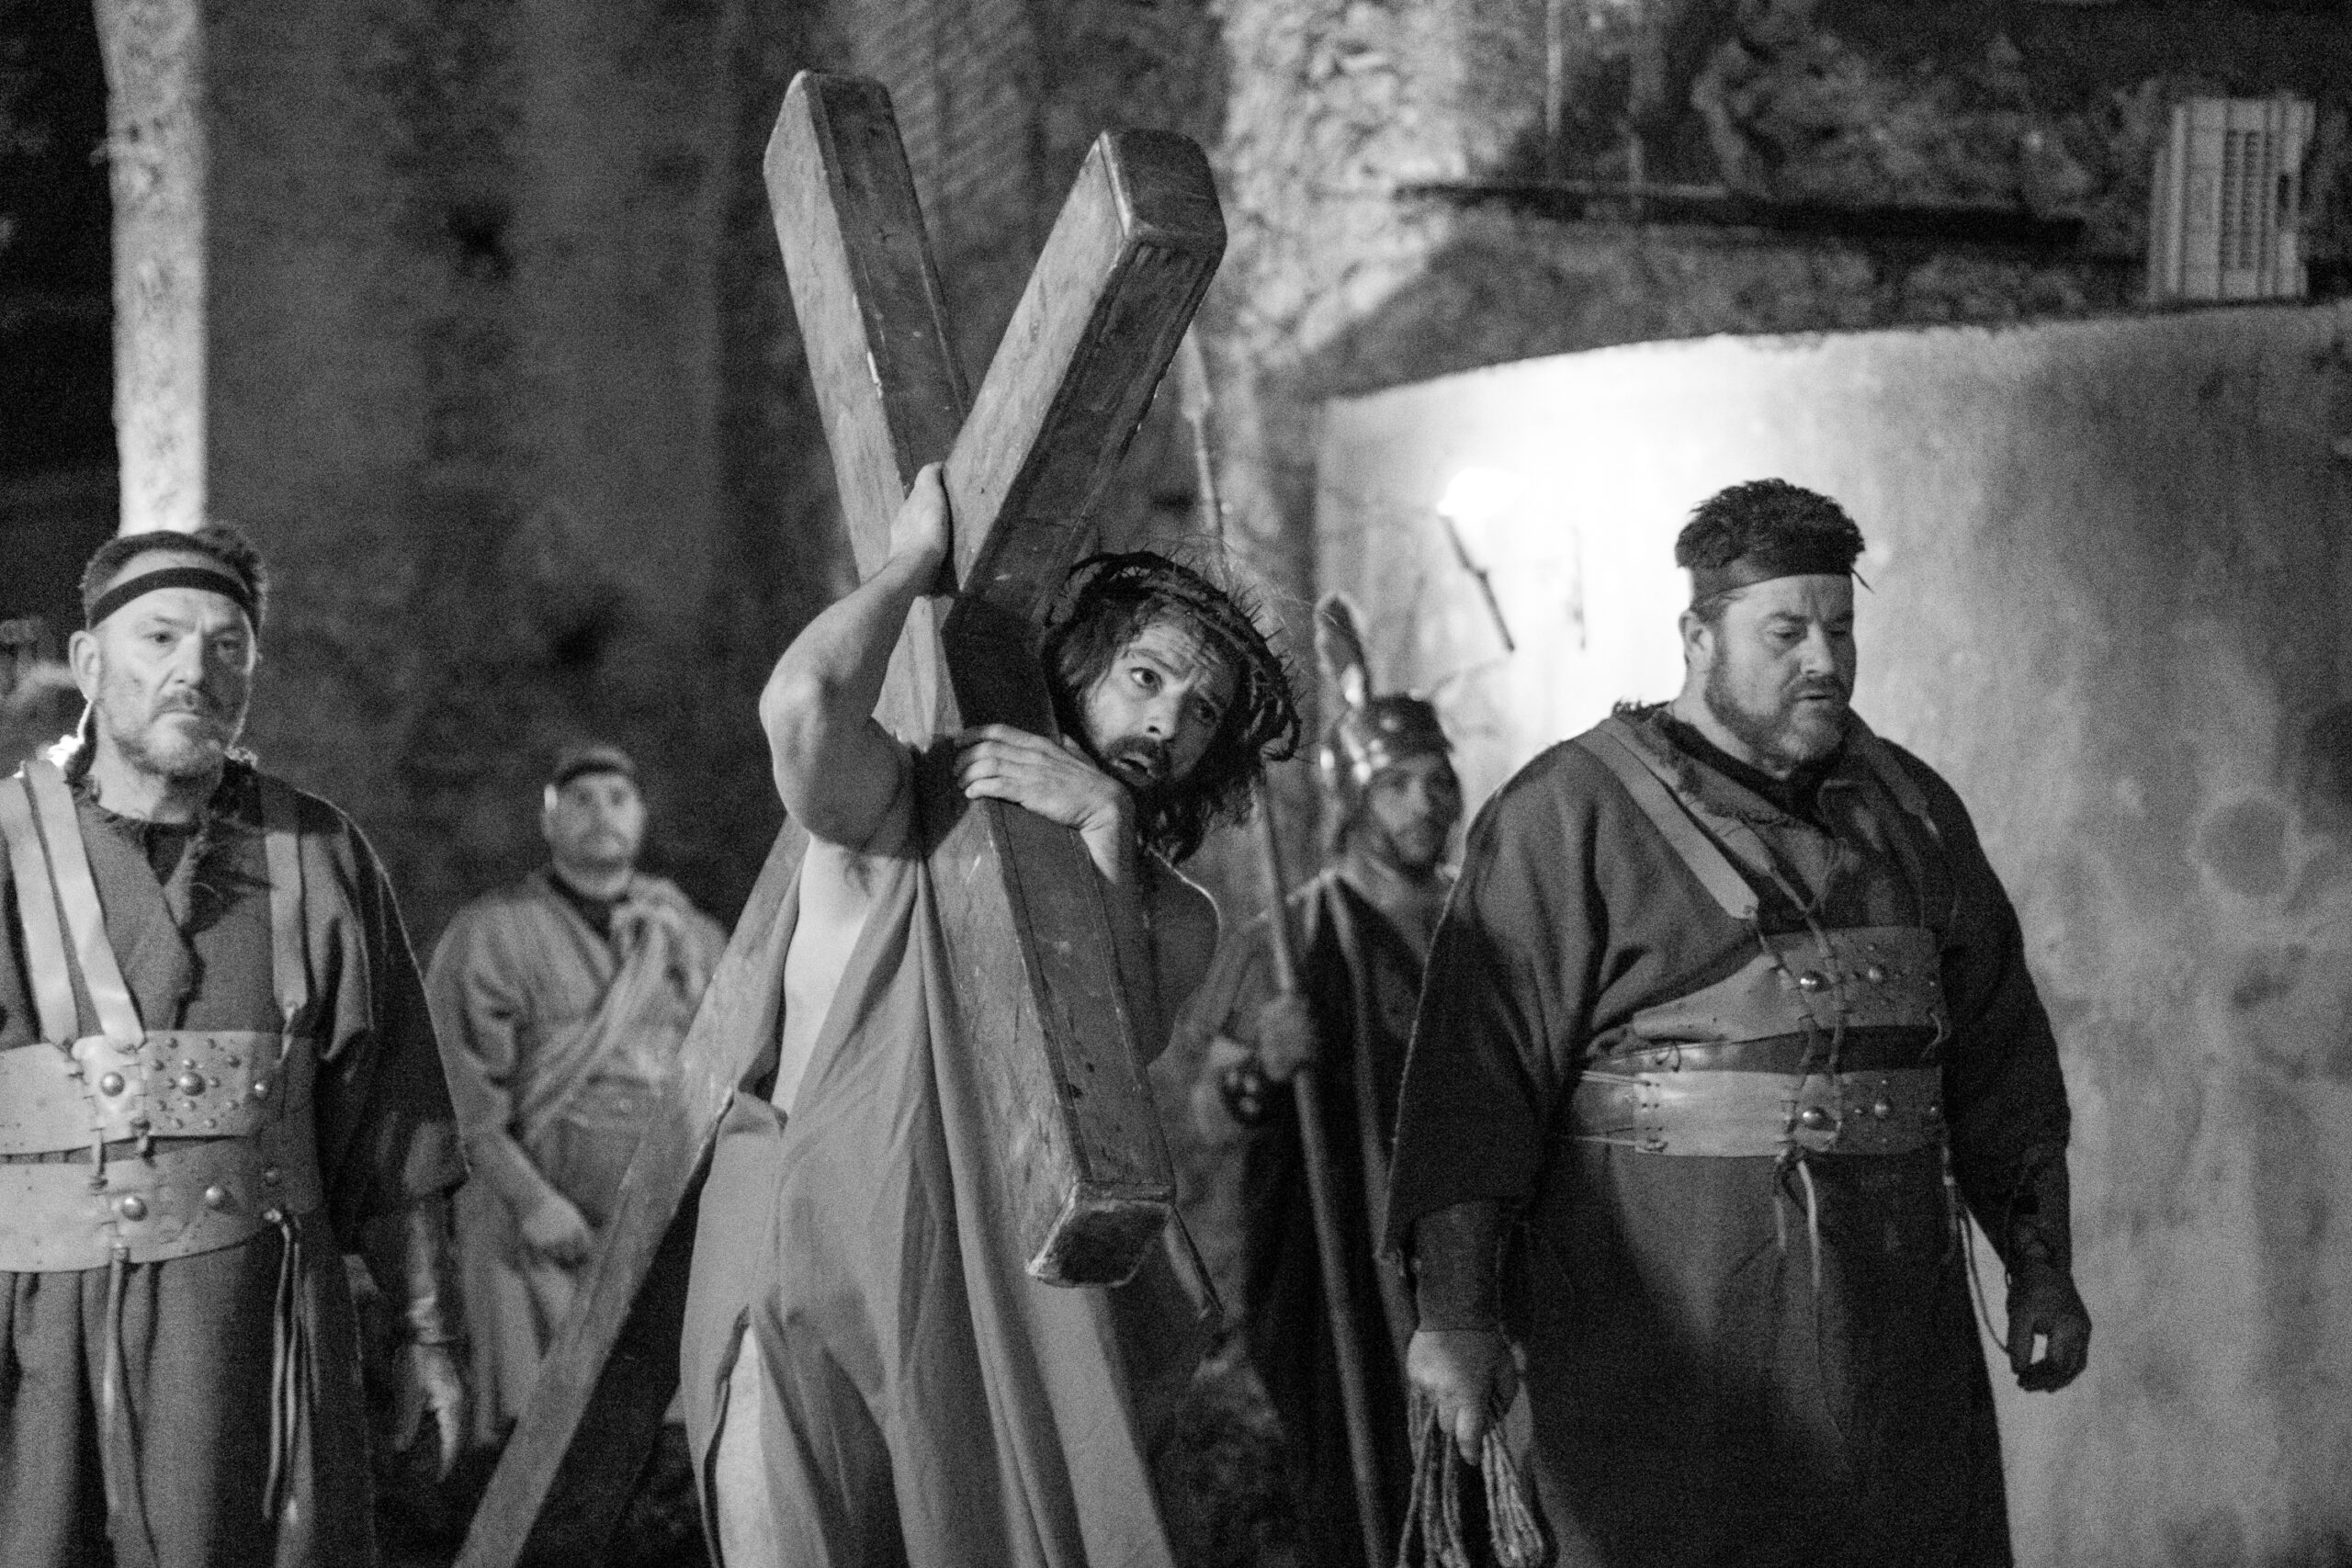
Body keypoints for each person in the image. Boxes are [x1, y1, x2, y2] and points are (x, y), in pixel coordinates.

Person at [1388, 479, 2092, 1568]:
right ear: (1697, 637)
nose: (1824, 660)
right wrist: (1456, 1315)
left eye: (1840, 629)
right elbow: (1474, 1084)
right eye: (1786, 632)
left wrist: (2038, 1262)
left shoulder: (1911, 813)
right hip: (1660, 1369)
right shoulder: (1567, 814)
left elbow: (2000, 1061)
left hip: (1894, 1365)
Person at [679, 465, 1299, 1568]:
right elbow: (801, 706)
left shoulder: (1174, 914)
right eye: (1145, 676)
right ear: (1079, 667)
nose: (1165, 718)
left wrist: (1104, 831)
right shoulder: (902, 798)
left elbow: (1105, 1065)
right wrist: (910, 566)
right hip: (808, 1260)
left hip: (993, 1302)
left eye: (1200, 709)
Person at [0, 525, 468, 1566]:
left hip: (258, 1333)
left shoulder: (319, 854)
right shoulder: (4, 846)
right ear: (89, 662)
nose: (194, 671)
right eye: (160, 637)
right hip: (40, 1341)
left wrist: (430, 1331)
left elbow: (392, 1122)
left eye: (227, 646)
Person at [1183, 625, 1463, 1566]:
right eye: (1397, 784)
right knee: (1366, 1495)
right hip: (1344, 1266)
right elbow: (1208, 1113)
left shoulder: (1482, 919)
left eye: (1437, 781)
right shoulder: (1291, 935)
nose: (1424, 803)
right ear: (1353, 800)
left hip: (1471, 1257)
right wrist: (1265, 1066)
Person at [425, 742, 727, 1444]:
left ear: (642, 816)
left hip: (661, 1222)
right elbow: (461, 1086)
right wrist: (532, 1201)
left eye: (617, 798)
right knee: (541, 1436)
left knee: (667, 1435)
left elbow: (727, 1074)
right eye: (581, 800)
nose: (601, 813)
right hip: (538, 1228)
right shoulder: (492, 932)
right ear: (549, 820)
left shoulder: (690, 935)